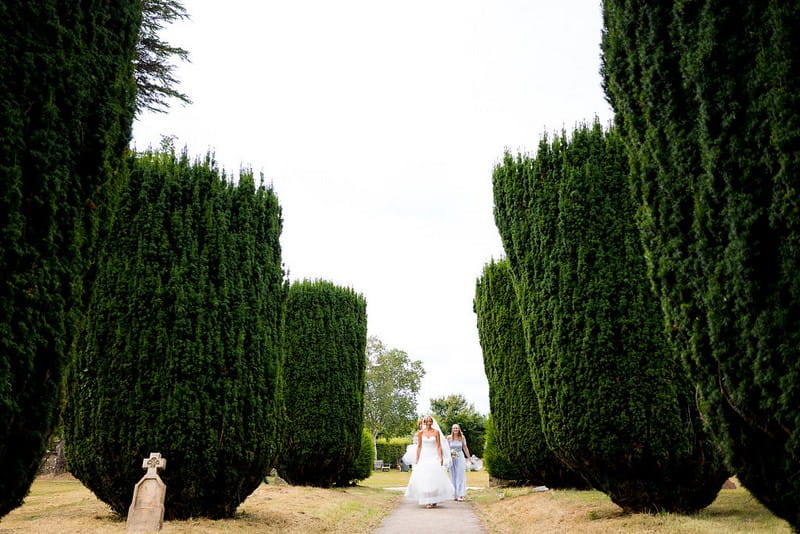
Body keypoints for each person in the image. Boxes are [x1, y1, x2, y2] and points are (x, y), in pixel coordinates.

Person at [404, 415, 453, 508]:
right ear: (424, 423)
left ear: (432, 422)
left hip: (434, 456)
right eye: (426, 421)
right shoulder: (420, 433)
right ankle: (427, 500)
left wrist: (440, 457)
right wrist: (417, 458)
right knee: (425, 478)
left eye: (430, 421)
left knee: (434, 477)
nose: (428, 423)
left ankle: (434, 499)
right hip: (424, 456)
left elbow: (439, 446)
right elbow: (419, 446)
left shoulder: (436, 432)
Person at [447, 424, 471, 501]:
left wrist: (469, 457)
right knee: (453, 475)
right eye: (454, 428)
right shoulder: (449, 438)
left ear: (459, 429)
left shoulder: (462, 437)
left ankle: (460, 494)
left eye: (457, 428)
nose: (455, 429)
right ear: (452, 429)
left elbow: (465, 447)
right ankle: (454, 494)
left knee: (460, 475)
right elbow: (446, 449)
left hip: (460, 457)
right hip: (452, 457)